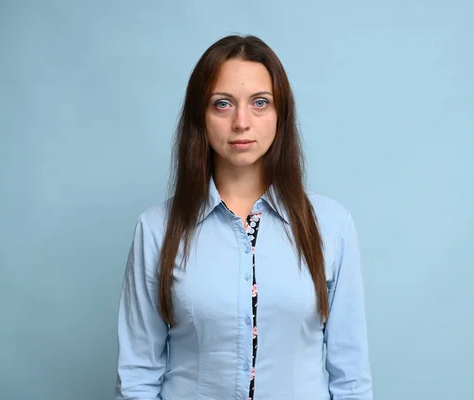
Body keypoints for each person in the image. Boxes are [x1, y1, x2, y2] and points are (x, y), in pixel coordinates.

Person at [115, 34, 373, 400]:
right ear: (199, 117)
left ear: (280, 115)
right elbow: (137, 376)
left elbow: (351, 379)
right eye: (222, 104)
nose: (241, 122)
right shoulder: (157, 229)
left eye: (260, 103)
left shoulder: (331, 226)